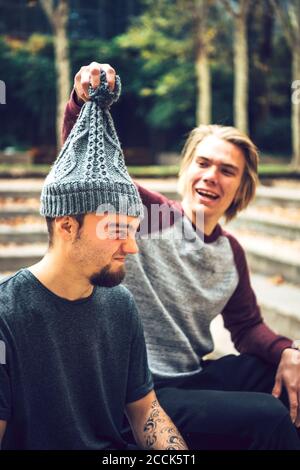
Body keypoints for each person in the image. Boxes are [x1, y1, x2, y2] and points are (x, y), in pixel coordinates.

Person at [63, 62, 300, 450]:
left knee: (288, 377)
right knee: (269, 417)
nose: (211, 176)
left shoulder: (230, 252)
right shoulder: (147, 214)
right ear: (186, 170)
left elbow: (247, 328)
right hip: (139, 392)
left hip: (192, 377)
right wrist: (81, 101)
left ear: (241, 189)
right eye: (202, 163)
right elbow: (92, 168)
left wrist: (288, 352)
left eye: (227, 171)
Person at [0, 73, 187, 451]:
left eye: (133, 231)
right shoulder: (7, 316)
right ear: (67, 225)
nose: (131, 247)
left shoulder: (121, 304)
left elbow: (145, 412)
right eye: (118, 229)